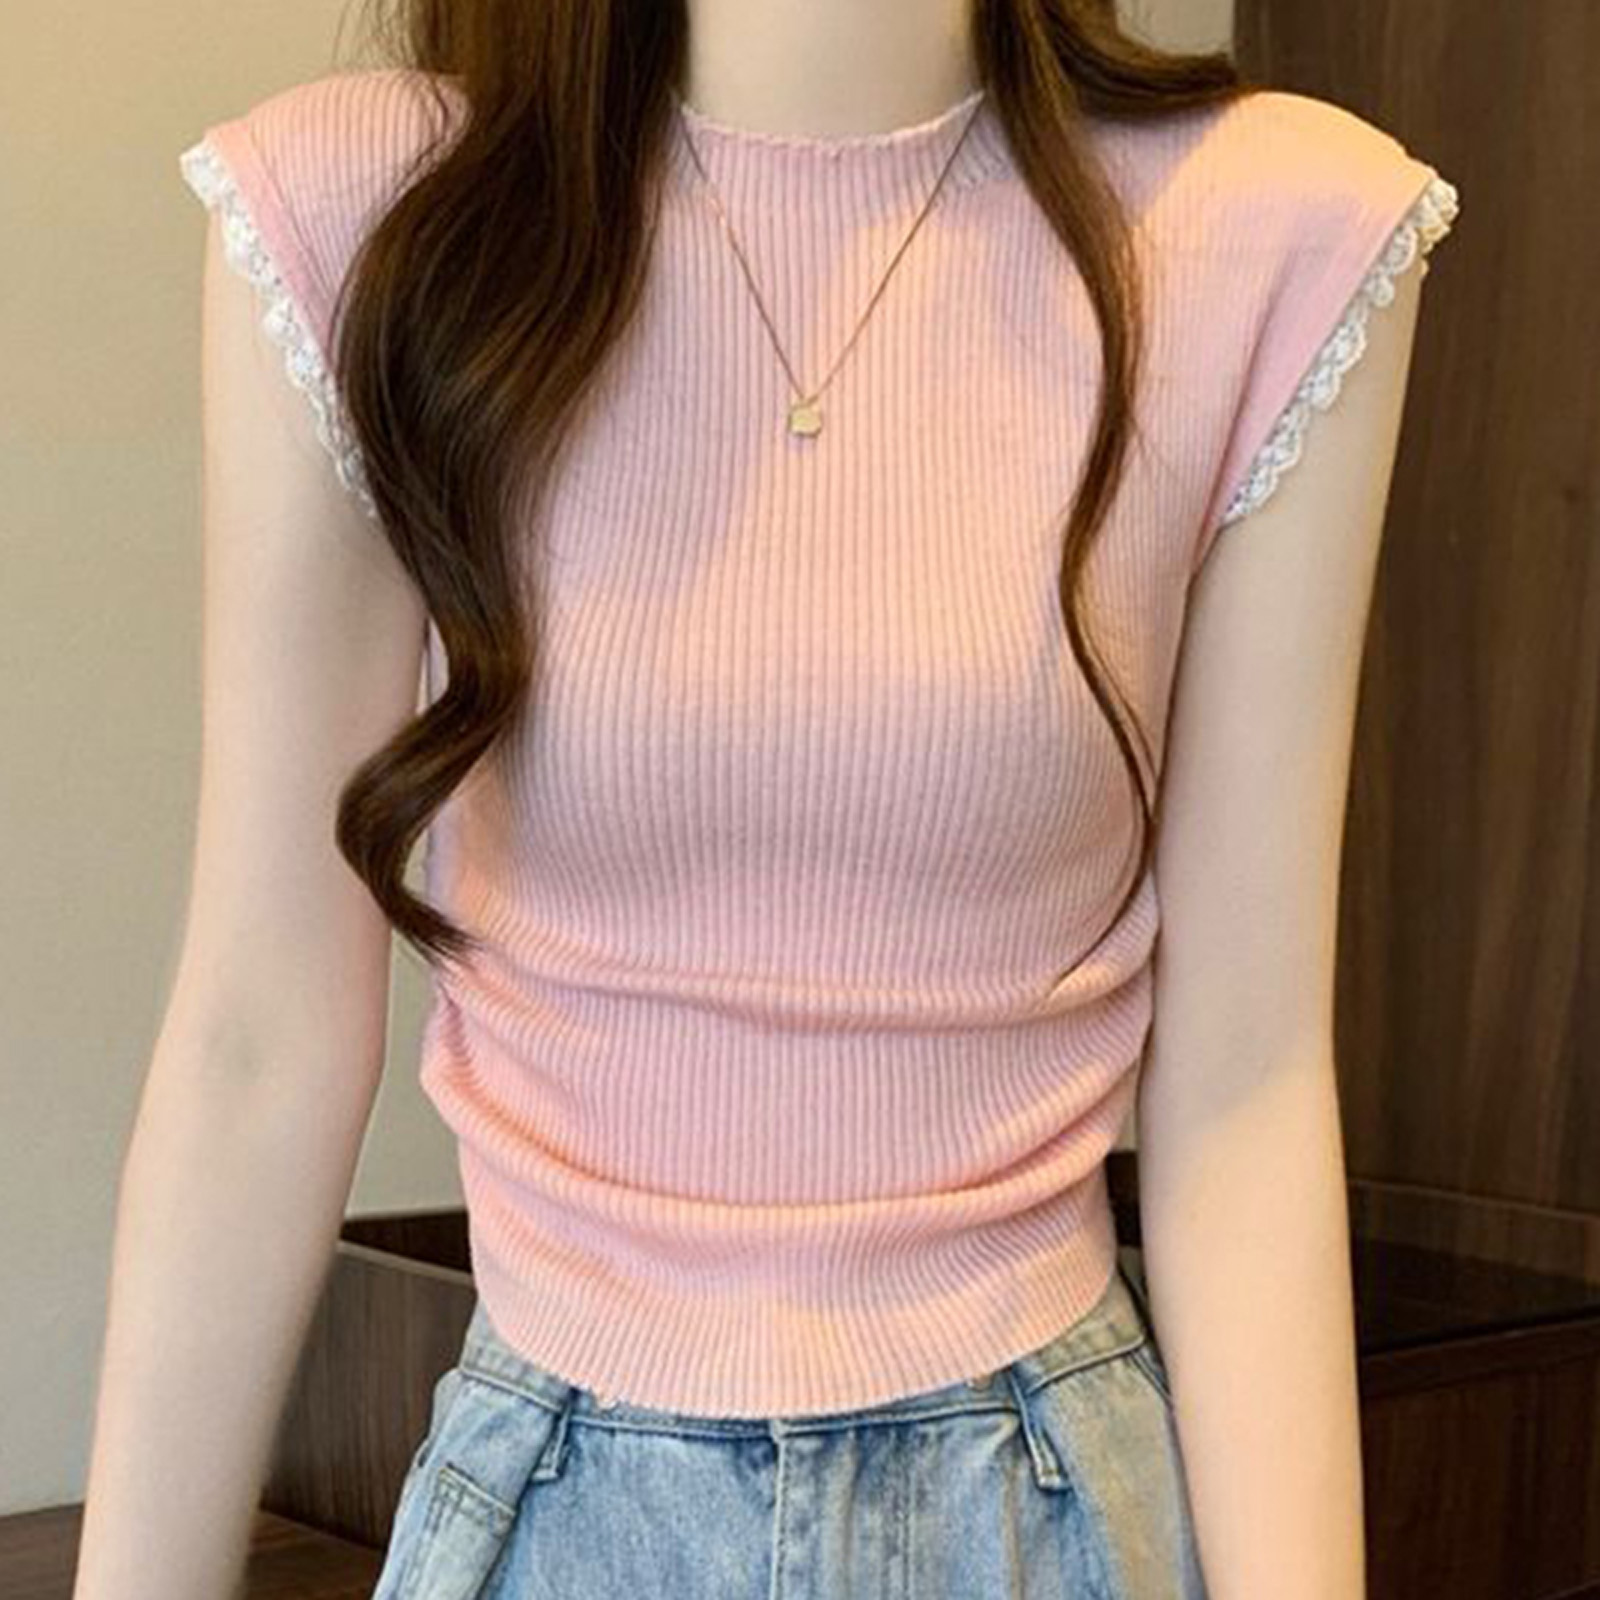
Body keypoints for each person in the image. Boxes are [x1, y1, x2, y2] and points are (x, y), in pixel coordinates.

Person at [77, 1, 1459, 1596]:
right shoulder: (367, 220)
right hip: (559, 1506)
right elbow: (257, 1043)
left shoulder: (1270, 230)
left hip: (1049, 1508)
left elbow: (1246, 1079)